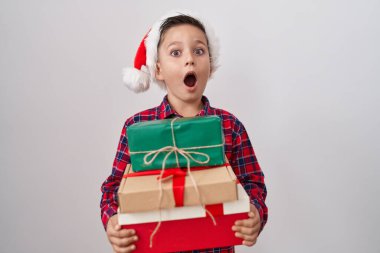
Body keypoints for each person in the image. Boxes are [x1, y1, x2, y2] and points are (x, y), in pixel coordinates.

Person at [100, 10, 268, 253]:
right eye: (176, 52)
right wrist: (112, 220)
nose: (189, 59)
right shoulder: (136, 127)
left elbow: (253, 183)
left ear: (210, 65)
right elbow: (113, 188)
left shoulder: (230, 126)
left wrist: (255, 213)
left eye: (199, 51)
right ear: (157, 69)